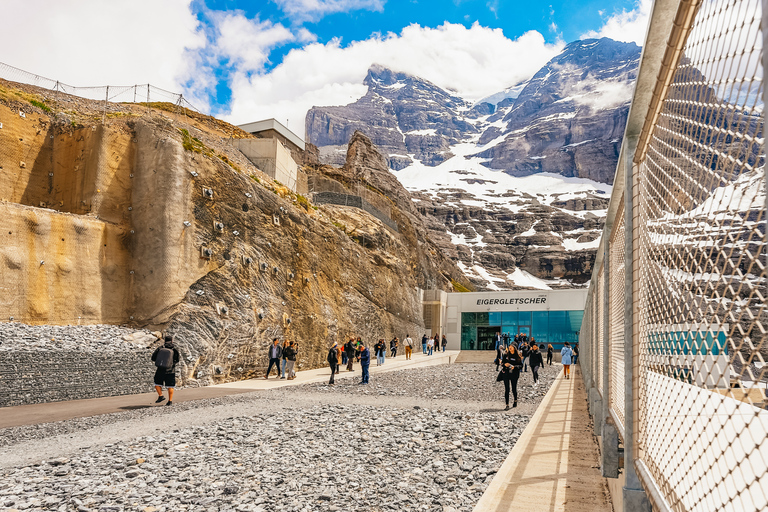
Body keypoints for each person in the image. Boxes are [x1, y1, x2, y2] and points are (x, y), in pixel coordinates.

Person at [151, 335, 180, 406]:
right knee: (170, 386)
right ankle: (170, 401)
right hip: (171, 370)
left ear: (165, 341)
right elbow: (177, 360)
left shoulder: (160, 348)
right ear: (172, 341)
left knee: (157, 383)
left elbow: (153, 358)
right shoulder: (174, 350)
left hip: (160, 369)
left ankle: (161, 396)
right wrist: (172, 364)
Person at [497, 345, 523, 410]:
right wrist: (504, 364)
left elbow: (521, 366)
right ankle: (507, 404)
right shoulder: (506, 355)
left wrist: (514, 367)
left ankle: (515, 400)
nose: (510, 348)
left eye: (511, 347)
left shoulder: (517, 356)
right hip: (506, 373)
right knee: (507, 389)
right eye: (509, 347)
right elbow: (502, 363)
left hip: (514, 374)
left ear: (514, 348)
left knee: (514, 388)